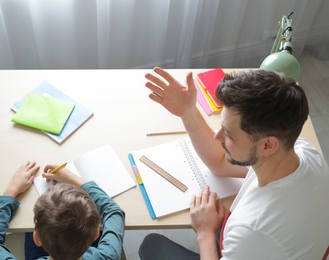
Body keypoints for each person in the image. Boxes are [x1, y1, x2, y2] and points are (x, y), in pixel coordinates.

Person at [138, 68, 329, 259]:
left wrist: (205, 233)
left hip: (257, 242)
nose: (217, 136)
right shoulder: (305, 152)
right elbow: (220, 161)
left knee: (151, 245)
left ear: (267, 145)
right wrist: (188, 111)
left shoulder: (252, 231)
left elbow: (250, 235)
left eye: (228, 134)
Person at [0, 161, 125, 260]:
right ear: (96, 235)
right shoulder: (108, 256)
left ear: (36, 238)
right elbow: (114, 212)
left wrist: (10, 192)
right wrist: (74, 178)